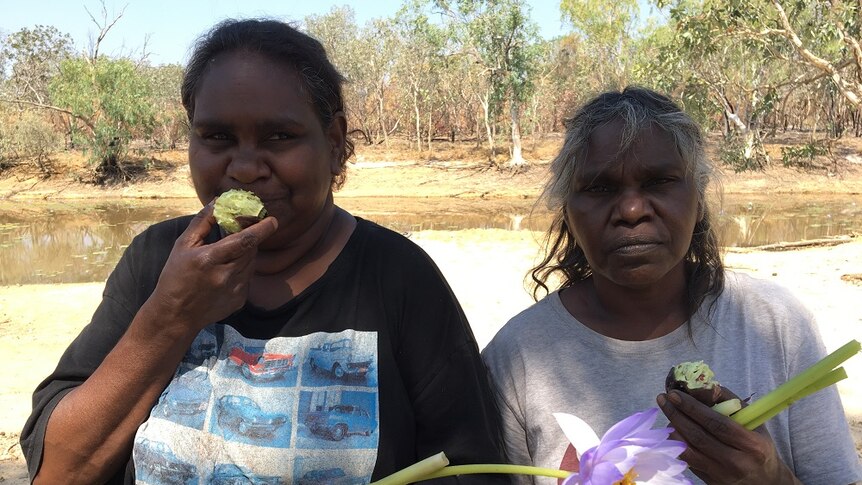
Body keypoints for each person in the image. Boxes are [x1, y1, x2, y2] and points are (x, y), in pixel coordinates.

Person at [20, 19, 508, 484]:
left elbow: (470, 468)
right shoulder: (155, 260)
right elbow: (58, 471)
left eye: (279, 136)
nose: (247, 168)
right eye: (217, 137)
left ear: (334, 143)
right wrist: (170, 317)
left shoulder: (398, 277)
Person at [481, 86, 862, 484]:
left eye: (659, 182)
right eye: (599, 188)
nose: (631, 210)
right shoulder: (518, 357)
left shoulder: (776, 325)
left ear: (698, 199)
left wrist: (771, 478)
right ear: (568, 211)